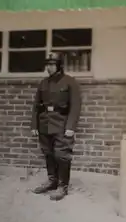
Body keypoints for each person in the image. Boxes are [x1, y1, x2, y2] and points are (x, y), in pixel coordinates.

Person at [30, 52, 82, 200]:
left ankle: (62, 186)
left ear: (59, 65)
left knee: (62, 155)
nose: (49, 67)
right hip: (44, 124)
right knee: (48, 153)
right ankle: (52, 181)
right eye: (48, 64)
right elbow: (36, 106)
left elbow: (75, 106)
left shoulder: (70, 82)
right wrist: (34, 125)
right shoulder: (43, 83)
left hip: (61, 123)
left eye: (52, 64)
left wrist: (71, 127)